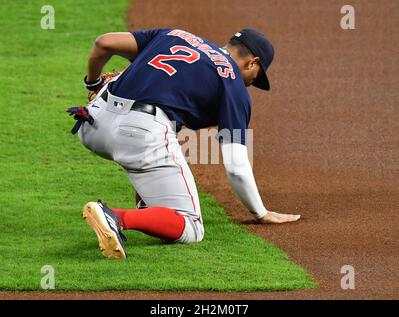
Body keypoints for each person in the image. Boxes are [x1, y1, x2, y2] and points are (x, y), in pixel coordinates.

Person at [68, 28, 301, 259]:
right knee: (191, 227)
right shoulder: (233, 84)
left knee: (160, 136)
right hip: (136, 135)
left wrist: (93, 83)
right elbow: (237, 169)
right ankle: (114, 217)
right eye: (256, 77)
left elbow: (104, 43)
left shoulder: (174, 35)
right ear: (253, 62)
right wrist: (260, 213)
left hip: (92, 124)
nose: (251, 83)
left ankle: (151, 205)